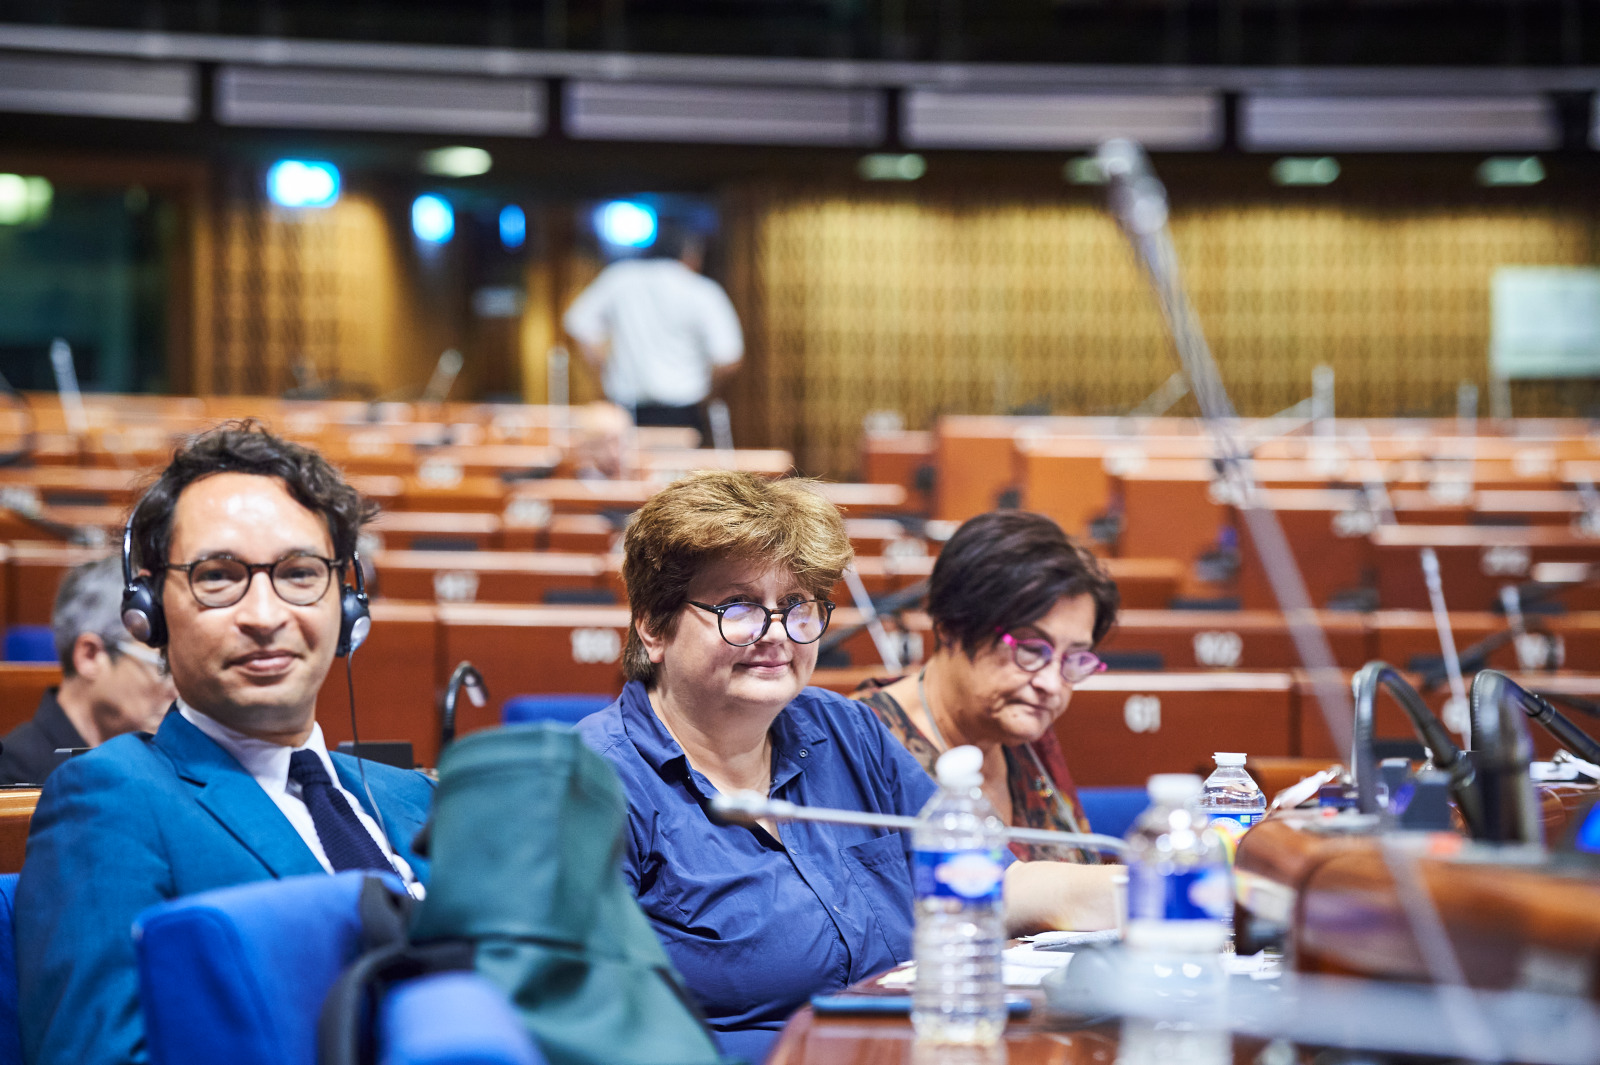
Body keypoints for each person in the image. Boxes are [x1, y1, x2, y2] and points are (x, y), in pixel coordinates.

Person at [576, 472, 1119, 1060]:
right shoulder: (592, 783)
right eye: (739, 608)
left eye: (795, 606)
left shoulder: (846, 733)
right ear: (654, 626)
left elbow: (991, 882)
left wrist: (1178, 891)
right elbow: (589, 1019)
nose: (777, 635)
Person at [16, 424, 436, 1065]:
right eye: (219, 576)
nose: (265, 616)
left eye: (300, 574)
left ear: (346, 606)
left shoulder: (413, 797)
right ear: (150, 609)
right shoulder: (111, 798)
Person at [854, 510, 1120, 863]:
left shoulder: (1024, 728)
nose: (1052, 684)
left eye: (1074, 659)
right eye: (1028, 650)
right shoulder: (860, 742)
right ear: (951, 627)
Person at [0, 556, 176, 785]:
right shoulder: (11, 779)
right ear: (89, 656)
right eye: (163, 666)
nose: (179, 688)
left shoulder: (170, 764)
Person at [562, 225, 743, 439]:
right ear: (691, 255)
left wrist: (602, 373)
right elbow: (729, 358)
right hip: (683, 410)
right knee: (681, 471)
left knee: (626, 469)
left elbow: (577, 324)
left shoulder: (619, 279)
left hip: (626, 408)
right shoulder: (702, 290)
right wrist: (707, 389)